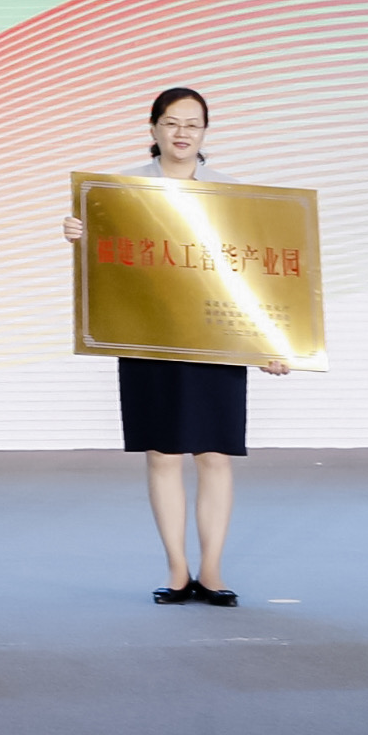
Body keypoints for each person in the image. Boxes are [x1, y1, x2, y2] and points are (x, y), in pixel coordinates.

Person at [61, 88, 292, 607]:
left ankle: (211, 571)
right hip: (149, 338)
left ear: (205, 132)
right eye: (171, 122)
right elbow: (108, 271)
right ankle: (176, 570)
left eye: (193, 124)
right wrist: (80, 232)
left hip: (215, 338)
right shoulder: (118, 192)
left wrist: (272, 344)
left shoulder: (233, 195)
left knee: (214, 454)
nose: (182, 133)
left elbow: (256, 279)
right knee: (163, 455)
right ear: (153, 129)